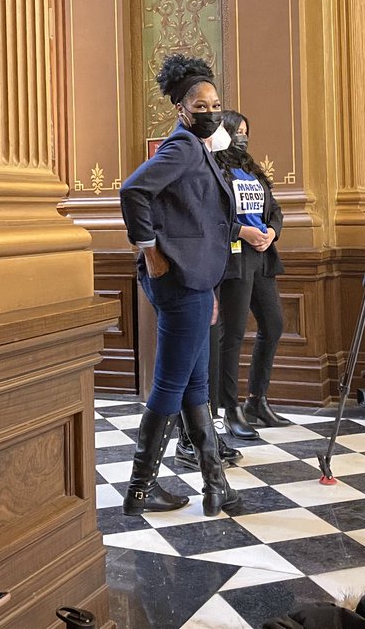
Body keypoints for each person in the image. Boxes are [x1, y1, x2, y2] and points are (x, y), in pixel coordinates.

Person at [119, 54, 241, 518]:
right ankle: (139, 488)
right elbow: (133, 191)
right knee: (172, 384)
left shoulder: (199, 149)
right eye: (200, 104)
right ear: (182, 109)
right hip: (178, 281)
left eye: (215, 102)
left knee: (195, 386)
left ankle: (215, 487)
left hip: (194, 280)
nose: (210, 110)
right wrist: (150, 250)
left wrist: (206, 285)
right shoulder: (184, 147)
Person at [214, 110, 292, 431]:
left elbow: (274, 210)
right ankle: (229, 408)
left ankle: (256, 399)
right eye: (237, 131)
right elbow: (213, 217)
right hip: (235, 258)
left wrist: (271, 232)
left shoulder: (253, 171)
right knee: (231, 333)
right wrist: (241, 232)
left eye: (247, 131)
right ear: (224, 132)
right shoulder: (216, 171)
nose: (243, 137)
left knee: (273, 324)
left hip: (262, 256)